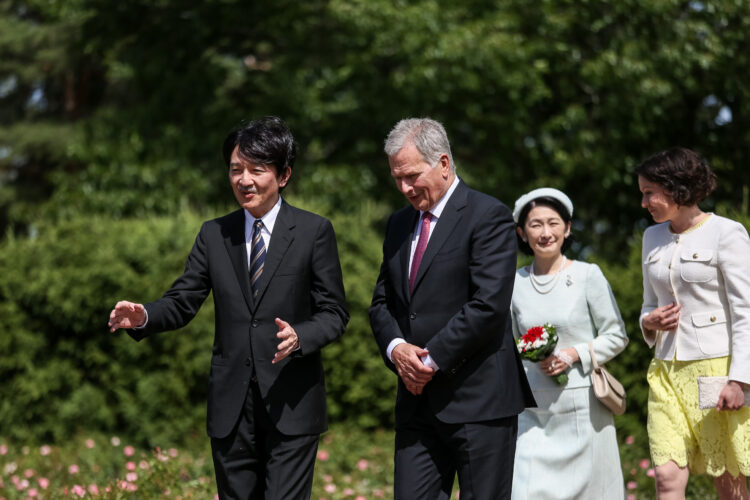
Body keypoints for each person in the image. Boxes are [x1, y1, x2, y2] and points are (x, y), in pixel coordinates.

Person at [107, 116, 349, 499]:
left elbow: (335, 312)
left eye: (257, 170)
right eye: (236, 170)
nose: (244, 180)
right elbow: (183, 301)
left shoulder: (313, 232)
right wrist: (145, 315)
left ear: (283, 175)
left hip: (291, 402)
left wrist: (302, 335)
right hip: (231, 409)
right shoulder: (213, 234)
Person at [369, 117, 535, 499]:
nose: (404, 188)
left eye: (411, 175)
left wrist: (428, 362)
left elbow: (488, 306)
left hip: (479, 399)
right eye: (397, 178)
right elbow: (382, 303)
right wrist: (397, 350)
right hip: (415, 405)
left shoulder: (488, 216)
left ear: (443, 163)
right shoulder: (397, 224)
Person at [637, 147, 750, 499]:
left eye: (648, 193)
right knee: (666, 477)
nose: (644, 203)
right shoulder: (650, 238)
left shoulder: (726, 233)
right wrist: (648, 322)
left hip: (715, 372)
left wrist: (740, 379)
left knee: (728, 480)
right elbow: (648, 304)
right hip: (665, 372)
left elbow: (746, 310)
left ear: (676, 189)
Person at [509, 187, 628, 499]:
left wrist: (575, 354)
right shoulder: (513, 284)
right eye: (535, 225)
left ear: (568, 228)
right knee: (524, 489)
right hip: (532, 411)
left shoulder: (589, 275)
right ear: (522, 233)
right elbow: (509, 344)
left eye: (553, 223)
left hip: (583, 409)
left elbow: (616, 335)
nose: (545, 233)